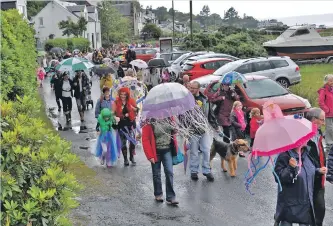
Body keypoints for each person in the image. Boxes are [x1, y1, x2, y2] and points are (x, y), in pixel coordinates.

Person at [274, 147, 316, 226]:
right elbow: (278, 178)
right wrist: (290, 167)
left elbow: (307, 171)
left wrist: (318, 170)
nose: (307, 140)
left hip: (305, 203)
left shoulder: (307, 154)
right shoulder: (284, 155)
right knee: (286, 222)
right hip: (288, 204)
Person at [142, 119, 179, 205]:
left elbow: (173, 132)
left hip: (167, 150)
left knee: (169, 172)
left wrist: (175, 130)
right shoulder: (149, 122)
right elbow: (145, 139)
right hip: (155, 152)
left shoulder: (170, 118)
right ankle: (158, 194)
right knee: (156, 174)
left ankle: (171, 197)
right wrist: (150, 155)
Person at [188, 81, 214, 181]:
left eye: (193, 88)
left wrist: (215, 126)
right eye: (190, 88)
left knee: (206, 151)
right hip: (192, 130)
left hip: (204, 129)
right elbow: (182, 115)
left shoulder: (205, 99)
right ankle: (194, 171)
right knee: (194, 152)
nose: (191, 90)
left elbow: (210, 114)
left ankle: (207, 171)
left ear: (198, 89)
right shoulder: (187, 100)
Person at [305, 108, 328, 226]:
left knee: (320, 211)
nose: (324, 123)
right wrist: (317, 170)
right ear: (314, 120)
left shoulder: (318, 135)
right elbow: (303, 163)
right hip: (307, 183)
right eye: (322, 120)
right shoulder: (303, 137)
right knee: (306, 215)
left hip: (319, 181)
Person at [113, 87, 138, 166]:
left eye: (124, 94)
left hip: (131, 125)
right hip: (122, 125)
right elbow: (112, 112)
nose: (123, 96)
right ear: (119, 94)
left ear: (127, 94)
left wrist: (133, 109)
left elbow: (136, 111)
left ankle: (131, 157)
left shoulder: (131, 101)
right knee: (123, 143)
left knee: (132, 142)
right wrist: (115, 117)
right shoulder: (116, 102)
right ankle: (125, 159)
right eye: (121, 94)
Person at [318, 74, 333, 153]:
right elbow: (321, 102)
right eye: (330, 81)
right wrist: (327, 110)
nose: (332, 82)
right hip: (328, 114)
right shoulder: (323, 90)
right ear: (326, 82)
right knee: (330, 129)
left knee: (330, 129)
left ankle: (325, 136)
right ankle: (329, 146)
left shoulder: (332, 89)